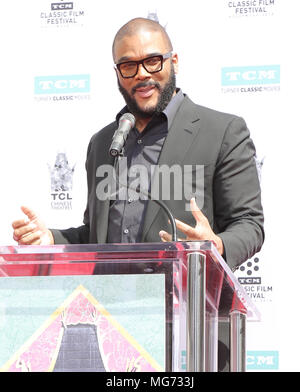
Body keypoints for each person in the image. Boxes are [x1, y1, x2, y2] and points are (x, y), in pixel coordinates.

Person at [12, 17, 264, 370]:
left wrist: (215, 247)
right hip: (115, 338)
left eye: (152, 61)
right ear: (117, 73)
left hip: (192, 336)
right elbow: (97, 236)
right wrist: (49, 237)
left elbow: (250, 225)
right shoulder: (104, 144)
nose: (142, 74)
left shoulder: (222, 131)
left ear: (173, 62)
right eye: (129, 65)